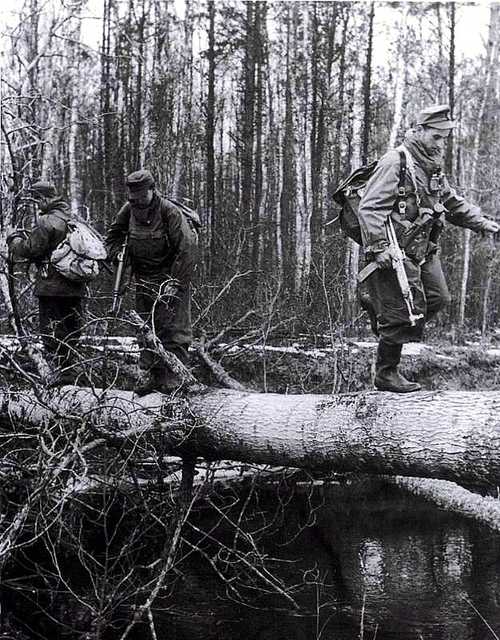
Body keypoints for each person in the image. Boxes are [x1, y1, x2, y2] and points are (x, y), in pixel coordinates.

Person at [357, 104, 499, 393]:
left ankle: (382, 313)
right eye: (436, 137)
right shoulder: (395, 161)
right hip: (395, 252)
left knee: (438, 298)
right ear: (419, 131)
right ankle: (386, 373)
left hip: (423, 250)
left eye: (444, 139)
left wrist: (482, 223)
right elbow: (369, 208)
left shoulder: (431, 166)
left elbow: (451, 202)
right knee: (401, 312)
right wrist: (379, 247)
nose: (440, 144)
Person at [106, 169, 198, 395]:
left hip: (170, 279)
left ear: (152, 190)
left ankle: (175, 382)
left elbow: (187, 251)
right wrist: (117, 253)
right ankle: (150, 378)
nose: (136, 202)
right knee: (145, 330)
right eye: (132, 197)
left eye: (140, 196)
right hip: (143, 279)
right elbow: (113, 237)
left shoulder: (170, 212)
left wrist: (175, 282)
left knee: (173, 332)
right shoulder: (128, 210)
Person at [7, 181, 85, 383]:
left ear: (45, 199)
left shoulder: (46, 221)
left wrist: (13, 239)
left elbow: (31, 249)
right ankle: (73, 374)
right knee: (72, 330)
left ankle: (63, 376)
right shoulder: (72, 218)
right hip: (75, 284)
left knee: (52, 332)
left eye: (38, 200)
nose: (37, 204)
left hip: (52, 287)